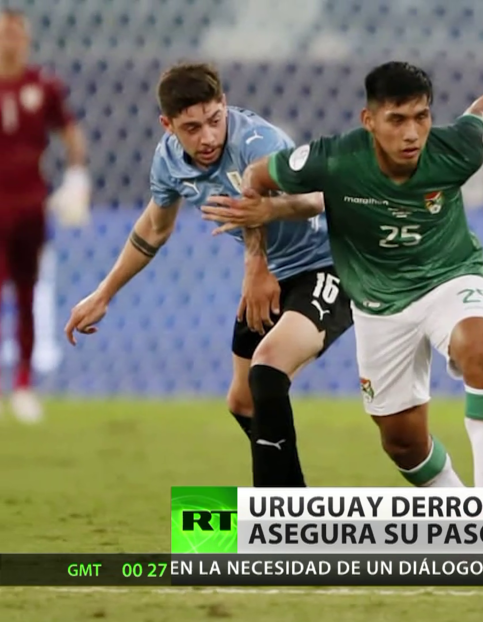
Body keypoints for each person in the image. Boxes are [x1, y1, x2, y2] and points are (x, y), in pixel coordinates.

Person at [200, 62, 483, 488]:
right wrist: (257, 259)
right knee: (403, 443)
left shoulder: (455, 149)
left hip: (449, 278)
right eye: (397, 119)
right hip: (377, 304)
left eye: (421, 116)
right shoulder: (334, 158)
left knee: (481, 350)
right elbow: (255, 178)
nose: (412, 133)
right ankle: (459, 512)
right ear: (369, 120)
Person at [65, 63, 352, 487]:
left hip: (329, 263)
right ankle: (297, 509)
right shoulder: (168, 161)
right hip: (270, 276)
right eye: (192, 127)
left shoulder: (258, 141)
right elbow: (154, 229)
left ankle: (280, 521)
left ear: (224, 105)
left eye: (215, 121)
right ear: (168, 125)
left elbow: (316, 199)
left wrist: (259, 254)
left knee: (268, 371)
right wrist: (104, 293)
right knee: (243, 402)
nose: (208, 137)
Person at [0, 9, 90, 422]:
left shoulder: (44, 85)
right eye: (5, 33)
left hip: (29, 207)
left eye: (17, 33)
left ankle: (22, 385)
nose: (11, 40)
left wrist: (75, 179)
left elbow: (71, 135)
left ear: (27, 40)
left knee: (25, 293)